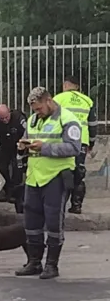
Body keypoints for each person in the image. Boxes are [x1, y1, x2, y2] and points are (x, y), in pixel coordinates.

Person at [15, 87, 81, 280]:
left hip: (56, 177)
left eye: (39, 108)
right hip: (34, 178)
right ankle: (34, 262)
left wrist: (45, 148)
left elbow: (74, 148)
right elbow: (29, 141)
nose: (37, 113)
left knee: (53, 221)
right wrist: (22, 147)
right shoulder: (32, 120)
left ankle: (52, 265)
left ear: (49, 101)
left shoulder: (68, 119)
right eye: (34, 110)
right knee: (31, 222)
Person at [53, 75, 97, 214]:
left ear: (65, 85)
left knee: (63, 171)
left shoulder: (58, 99)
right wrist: (91, 142)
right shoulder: (87, 101)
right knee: (79, 173)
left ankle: (60, 206)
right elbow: (92, 124)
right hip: (81, 142)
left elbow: (52, 122)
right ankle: (76, 205)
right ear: (77, 87)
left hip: (63, 141)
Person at [0, 104, 27, 202]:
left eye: (6, 117)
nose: (4, 120)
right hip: (5, 146)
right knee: (1, 167)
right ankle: (7, 190)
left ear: (9, 112)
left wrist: (23, 143)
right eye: (2, 118)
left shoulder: (18, 118)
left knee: (17, 168)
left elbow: (28, 131)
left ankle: (15, 193)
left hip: (18, 145)